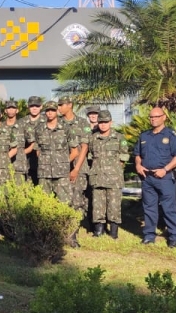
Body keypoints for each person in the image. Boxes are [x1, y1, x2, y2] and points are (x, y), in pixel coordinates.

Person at [29, 100, 81, 246]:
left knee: (66, 204)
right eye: (48, 111)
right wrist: (47, 162)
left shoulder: (66, 128)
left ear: (56, 112)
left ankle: (70, 237)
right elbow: (38, 150)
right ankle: (46, 236)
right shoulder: (39, 129)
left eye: (52, 110)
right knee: (44, 204)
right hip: (44, 173)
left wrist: (62, 163)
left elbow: (75, 151)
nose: (50, 113)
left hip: (61, 174)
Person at [134, 106, 176, 247]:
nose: (153, 119)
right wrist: (138, 165)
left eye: (156, 116)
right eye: (151, 117)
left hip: (165, 178)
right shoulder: (144, 136)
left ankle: (174, 236)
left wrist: (165, 169)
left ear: (164, 117)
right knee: (149, 207)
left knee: (169, 207)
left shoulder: (172, 135)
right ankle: (149, 235)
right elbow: (137, 154)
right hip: (148, 177)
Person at [87, 110, 128, 239]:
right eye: (101, 122)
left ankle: (114, 231)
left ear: (111, 122)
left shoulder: (119, 137)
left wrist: (114, 169)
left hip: (114, 178)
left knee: (114, 205)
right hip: (97, 176)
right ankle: (99, 230)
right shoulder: (93, 138)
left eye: (105, 122)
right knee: (98, 204)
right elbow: (89, 156)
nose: (103, 125)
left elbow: (124, 156)